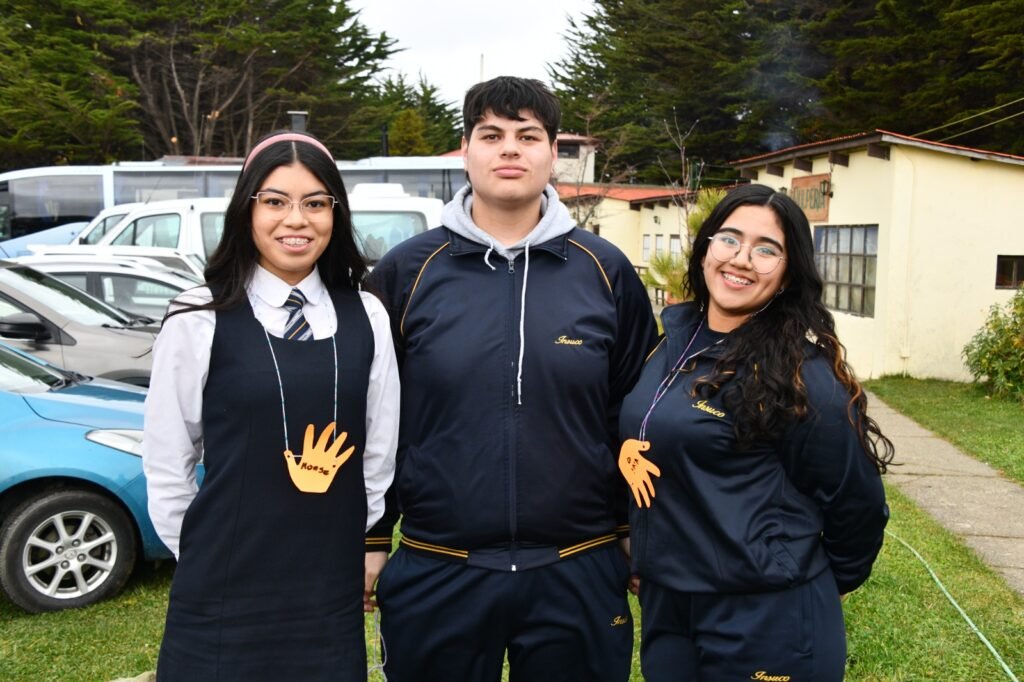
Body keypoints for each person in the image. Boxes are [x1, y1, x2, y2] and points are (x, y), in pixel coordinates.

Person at [365, 76, 657, 681]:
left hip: (578, 565)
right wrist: (371, 539)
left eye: (528, 136)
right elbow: (372, 419)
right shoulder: (406, 273)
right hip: (438, 564)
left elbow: (636, 414)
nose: (510, 149)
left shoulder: (606, 272)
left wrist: (633, 528)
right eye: (491, 135)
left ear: (552, 154)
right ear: (466, 150)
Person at [142, 131, 399, 680]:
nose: (296, 220)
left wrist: (360, 534)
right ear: (247, 210)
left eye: (314, 203)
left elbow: (378, 453)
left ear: (336, 211)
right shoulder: (197, 316)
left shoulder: (368, 315)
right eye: (275, 201)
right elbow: (168, 458)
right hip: (223, 579)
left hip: (328, 580)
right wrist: (204, 555)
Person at [618, 183, 894, 681]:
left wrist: (806, 584)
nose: (742, 259)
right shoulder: (672, 343)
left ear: (789, 275)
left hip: (766, 617)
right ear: (705, 249)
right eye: (729, 239)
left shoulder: (802, 379)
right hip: (670, 606)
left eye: (767, 250)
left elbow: (857, 505)